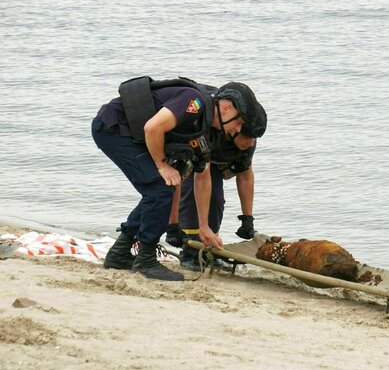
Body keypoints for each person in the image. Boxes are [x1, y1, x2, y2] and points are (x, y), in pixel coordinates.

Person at [91, 76, 264, 281]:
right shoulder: (194, 101)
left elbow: (202, 177)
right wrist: (161, 165)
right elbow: (152, 128)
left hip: (133, 135)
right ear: (226, 107)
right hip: (113, 128)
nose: (238, 128)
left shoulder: (208, 131)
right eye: (239, 121)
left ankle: (119, 253)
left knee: (162, 188)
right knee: (160, 189)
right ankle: (146, 259)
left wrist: (204, 226)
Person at [164, 82, 267, 270]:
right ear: (236, 127)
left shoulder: (247, 141)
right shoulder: (215, 127)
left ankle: (209, 248)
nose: (251, 142)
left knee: (217, 201)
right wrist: (173, 225)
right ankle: (189, 251)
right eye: (248, 136)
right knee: (196, 196)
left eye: (255, 139)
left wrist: (247, 218)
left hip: (215, 163)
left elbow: (245, 175)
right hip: (192, 155)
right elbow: (199, 176)